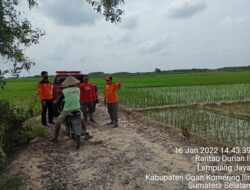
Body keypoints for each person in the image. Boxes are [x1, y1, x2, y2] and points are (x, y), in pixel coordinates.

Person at [50, 76, 93, 144]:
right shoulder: (77, 89)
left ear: (67, 84)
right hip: (77, 108)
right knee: (82, 120)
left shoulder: (64, 91)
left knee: (58, 122)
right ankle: (86, 135)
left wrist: (55, 104)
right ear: (74, 83)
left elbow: (58, 101)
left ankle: (55, 138)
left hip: (67, 110)